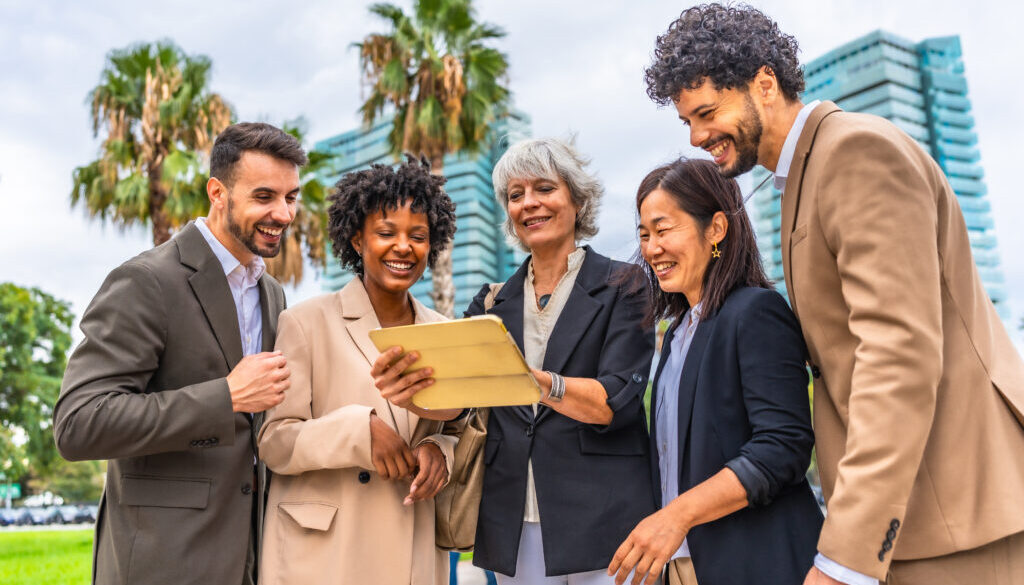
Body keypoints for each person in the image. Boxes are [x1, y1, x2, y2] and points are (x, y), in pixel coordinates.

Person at [644, 4, 1024, 585]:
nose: (698, 137)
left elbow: (897, 356)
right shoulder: (802, 177)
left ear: (764, 83)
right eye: (687, 122)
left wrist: (845, 555)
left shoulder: (853, 152)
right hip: (917, 518)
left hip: (955, 514)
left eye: (707, 112)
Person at [53, 122, 306, 585]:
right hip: (162, 561)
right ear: (218, 192)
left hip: (250, 560)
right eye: (265, 196)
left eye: (291, 197)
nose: (284, 214)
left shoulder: (271, 293)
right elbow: (79, 423)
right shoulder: (147, 281)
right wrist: (225, 397)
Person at [608, 158, 822, 585]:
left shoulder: (755, 311)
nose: (651, 249)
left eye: (664, 230)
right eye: (644, 235)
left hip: (759, 560)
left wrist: (678, 516)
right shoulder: (675, 334)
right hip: (689, 564)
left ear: (717, 229)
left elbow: (783, 447)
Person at [460, 137, 657, 583]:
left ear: (577, 198)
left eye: (544, 189)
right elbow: (462, 399)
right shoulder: (490, 302)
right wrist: (418, 387)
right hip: (512, 516)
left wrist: (533, 381)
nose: (529, 203)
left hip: (607, 518)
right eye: (516, 195)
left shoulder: (624, 285)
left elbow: (615, 402)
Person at [257, 158, 462, 585]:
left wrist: (440, 452)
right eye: (386, 233)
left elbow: (464, 429)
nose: (403, 247)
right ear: (357, 240)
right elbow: (275, 442)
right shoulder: (305, 322)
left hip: (411, 547)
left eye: (418, 236)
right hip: (325, 555)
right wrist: (359, 431)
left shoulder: (445, 333)